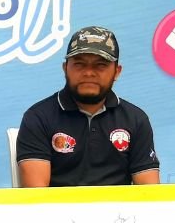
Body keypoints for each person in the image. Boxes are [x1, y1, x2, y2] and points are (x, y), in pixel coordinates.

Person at [16, 26, 160, 187]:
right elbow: (36, 198)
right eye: (79, 64)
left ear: (117, 72)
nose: (89, 72)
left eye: (100, 65)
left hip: (118, 212)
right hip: (59, 212)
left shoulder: (136, 119)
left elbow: (150, 194)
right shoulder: (38, 118)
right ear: (65, 68)